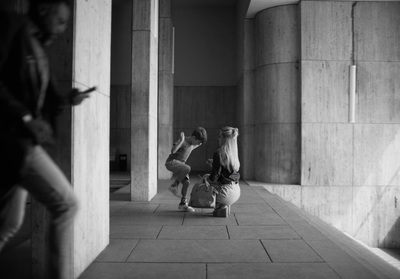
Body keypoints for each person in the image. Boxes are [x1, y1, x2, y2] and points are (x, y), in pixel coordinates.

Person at [0, 1, 93, 278]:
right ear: (43, 9)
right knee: (67, 205)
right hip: (15, 139)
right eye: (61, 20)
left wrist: (67, 99)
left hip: (22, 141)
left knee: (8, 224)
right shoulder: (11, 27)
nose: (62, 28)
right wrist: (26, 119)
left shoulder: (37, 43)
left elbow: (41, 97)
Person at [165, 127, 207, 212]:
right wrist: (181, 140)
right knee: (187, 168)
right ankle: (174, 186)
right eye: (198, 142)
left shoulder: (193, 144)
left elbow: (197, 144)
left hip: (180, 166)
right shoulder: (183, 141)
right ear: (194, 138)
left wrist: (200, 141)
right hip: (171, 162)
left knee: (187, 182)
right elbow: (173, 151)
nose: (198, 144)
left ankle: (183, 204)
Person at [206, 126, 241, 217]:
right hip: (236, 191)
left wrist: (206, 180)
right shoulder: (233, 153)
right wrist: (214, 164)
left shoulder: (219, 153)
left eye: (220, 136)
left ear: (224, 139)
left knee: (205, 178)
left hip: (225, 194)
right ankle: (224, 206)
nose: (218, 139)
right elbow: (226, 171)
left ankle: (220, 205)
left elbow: (214, 177)